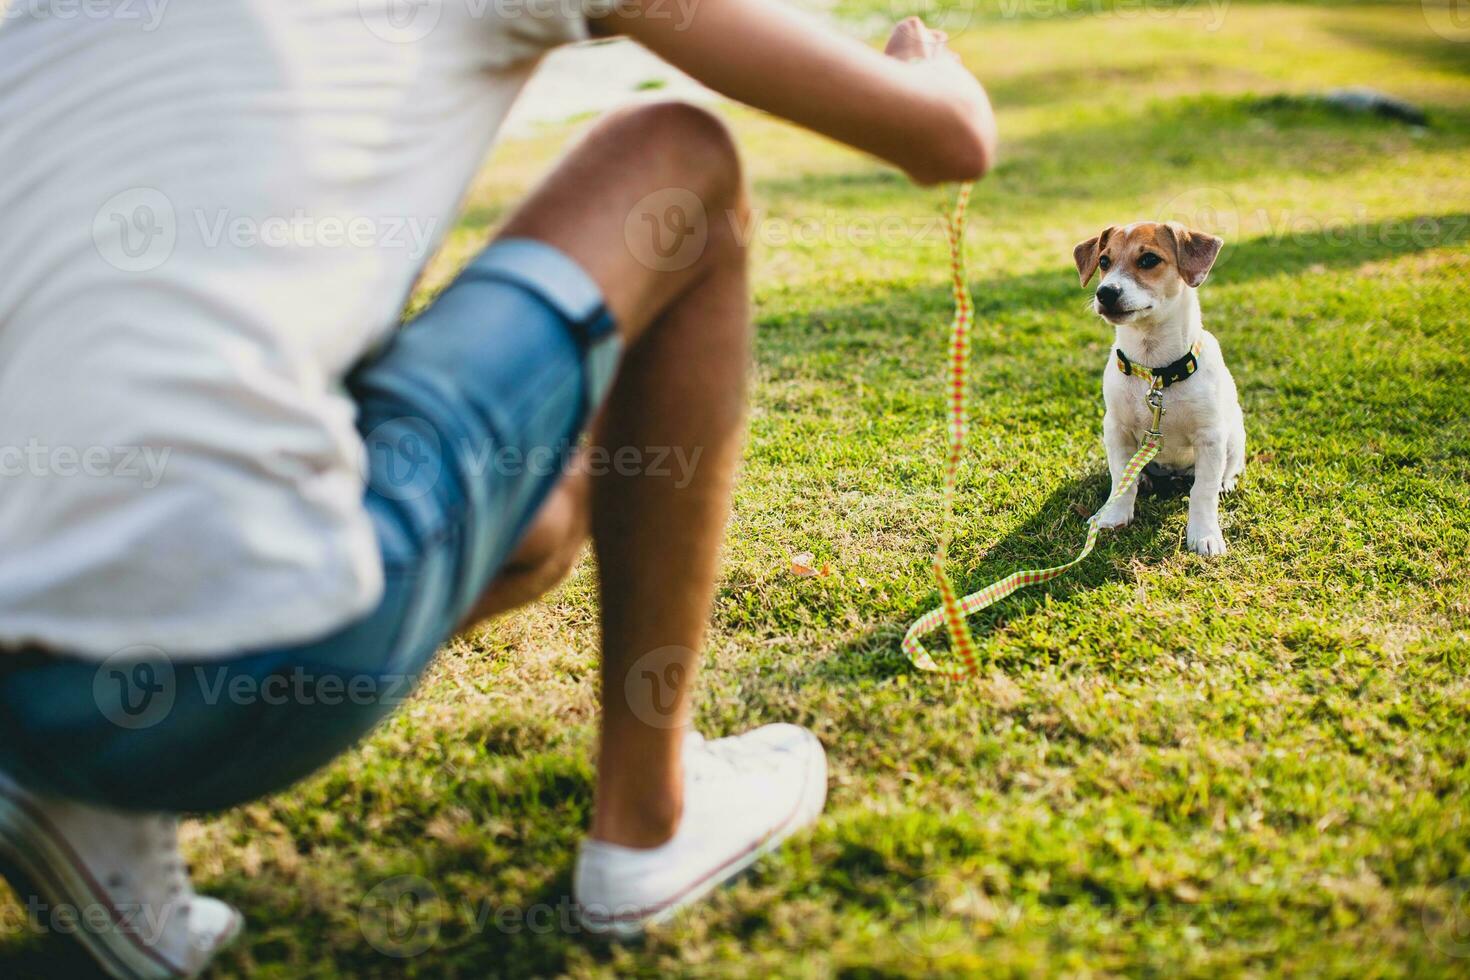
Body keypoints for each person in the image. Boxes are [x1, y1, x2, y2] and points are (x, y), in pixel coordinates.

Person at [0, 0, 994, 974]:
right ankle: (654, 818)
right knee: (678, 158)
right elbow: (945, 138)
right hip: (233, 676)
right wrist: (929, 72)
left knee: (541, 514)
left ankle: (80, 789)